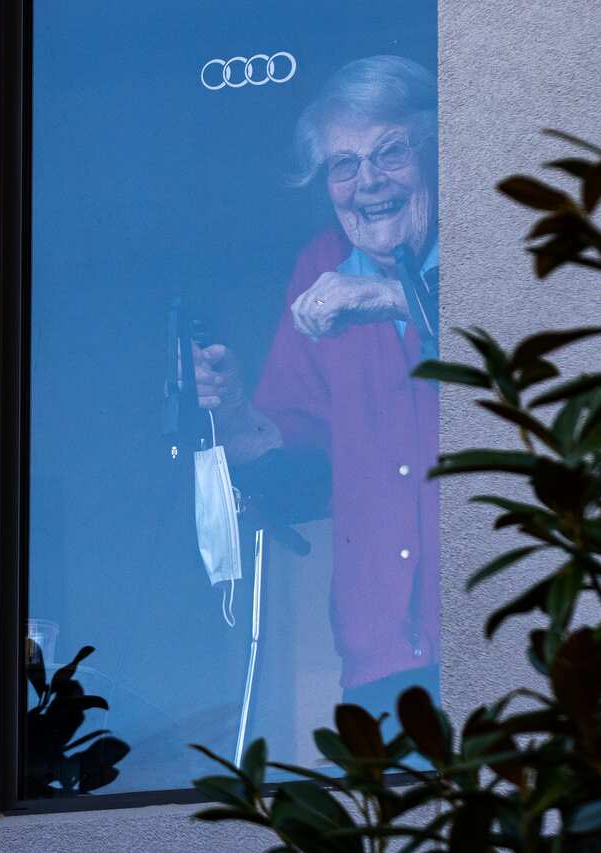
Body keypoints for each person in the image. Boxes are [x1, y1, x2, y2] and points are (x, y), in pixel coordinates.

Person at [195, 55, 440, 719]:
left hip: (495, 627)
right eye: (344, 164)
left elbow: (509, 336)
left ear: (436, 149)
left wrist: (391, 298)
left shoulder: (479, 244)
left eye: (390, 152)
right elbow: (299, 456)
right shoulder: (322, 265)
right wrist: (240, 413)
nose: (369, 183)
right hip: (380, 657)